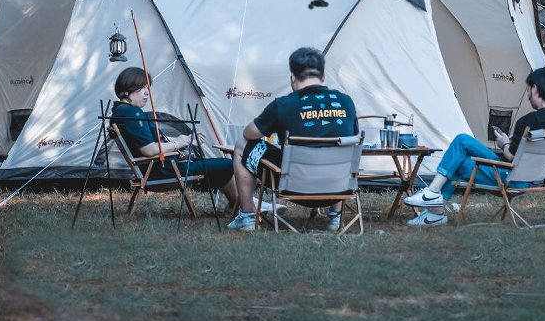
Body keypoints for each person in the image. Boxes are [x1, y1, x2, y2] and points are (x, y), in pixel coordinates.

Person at [403, 66, 545, 227]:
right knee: (463, 144)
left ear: (536, 89)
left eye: (529, 90)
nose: (528, 96)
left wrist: (504, 143)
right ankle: (434, 208)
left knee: (460, 149)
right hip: (532, 178)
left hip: (509, 176)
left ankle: (434, 201)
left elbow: (511, 156)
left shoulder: (527, 122)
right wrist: (513, 142)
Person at [228, 46, 360, 232]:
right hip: (339, 188)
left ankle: (247, 217)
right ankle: (335, 217)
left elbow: (249, 134)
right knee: (341, 146)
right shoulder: (347, 102)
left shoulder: (283, 105)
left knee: (242, 145)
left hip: (295, 188)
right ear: (323, 76)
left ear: (292, 78)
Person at [110, 67, 238, 208]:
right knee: (227, 164)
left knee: (219, 166)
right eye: (142, 88)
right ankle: (240, 205)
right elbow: (149, 150)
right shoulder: (131, 114)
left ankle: (237, 204)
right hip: (164, 171)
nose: (147, 93)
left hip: (159, 167)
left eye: (148, 87)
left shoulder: (120, 111)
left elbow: (153, 143)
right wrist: (179, 141)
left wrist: (187, 140)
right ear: (129, 87)